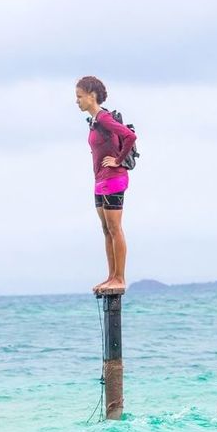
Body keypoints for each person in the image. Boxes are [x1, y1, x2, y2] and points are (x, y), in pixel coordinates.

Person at [75, 76, 137, 292]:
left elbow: (130, 136)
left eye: (80, 97)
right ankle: (111, 276)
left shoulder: (104, 118)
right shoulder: (94, 121)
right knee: (105, 229)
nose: (77, 101)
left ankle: (119, 278)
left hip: (114, 179)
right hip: (100, 180)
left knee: (114, 227)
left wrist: (118, 160)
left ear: (92, 96)